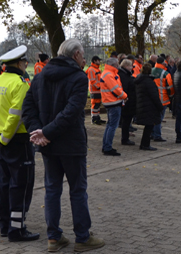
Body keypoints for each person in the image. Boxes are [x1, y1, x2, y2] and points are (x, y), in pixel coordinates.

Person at [21, 39, 105, 252]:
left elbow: (27, 109)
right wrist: (44, 132)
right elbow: (72, 111)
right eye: (83, 54)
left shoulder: (39, 77)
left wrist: (40, 132)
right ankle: (83, 238)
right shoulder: (78, 77)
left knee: (52, 190)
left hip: (48, 145)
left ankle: (54, 237)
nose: (84, 58)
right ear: (76, 54)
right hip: (71, 144)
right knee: (77, 190)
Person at [0, 45, 39, 241]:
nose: (26, 65)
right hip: (18, 141)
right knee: (21, 186)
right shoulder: (20, 83)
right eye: (25, 62)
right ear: (19, 63)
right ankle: (17, 229)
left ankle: (5, 225)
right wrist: (5, 137)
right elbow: (16, 116)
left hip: (0, 142)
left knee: (5, 185)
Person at [99, 57, 128, 156]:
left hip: (110, 102)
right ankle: (107, 148)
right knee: (112, 126)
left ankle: (106, 146)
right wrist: (125, 96)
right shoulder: (109, 74)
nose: (118, 65)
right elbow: (116, 89)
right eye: (117, 64)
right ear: (114, 65)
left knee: (110, 125)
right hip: (113, 102)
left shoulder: (109, 73)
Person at [134, 64, 162, 150]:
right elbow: (154, 96)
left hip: (142, 104)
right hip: (149, 106)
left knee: (148, 126)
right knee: (149, 126)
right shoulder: (149, 82)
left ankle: (144, 144)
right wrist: (160, 106)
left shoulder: (138, 80)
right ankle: (145, 144)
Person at [151, 57, 173, 142]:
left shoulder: (151, 70)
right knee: (159, 118)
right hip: (162, 98)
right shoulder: (165, 73)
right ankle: (157, 135)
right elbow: (170, 87)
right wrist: (171, 95)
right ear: (164, 63)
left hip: (152, 98)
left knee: (153, 117)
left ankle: (152, 134)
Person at [119, 59, 137, 146]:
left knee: (126, 121)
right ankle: (125, 139)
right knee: (126, 121)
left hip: (128, 101)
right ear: (126, 66)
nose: (132, 68)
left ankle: (125, 137)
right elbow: (125, 88)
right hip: (127, 101)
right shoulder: (124, 76)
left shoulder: (124, 75)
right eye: (131, 66)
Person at [86, 56, 105, 125]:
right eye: (98, 60)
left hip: (98, 90)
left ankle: (97, 118)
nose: (99, 62)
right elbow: (92, 81)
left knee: (97, 104)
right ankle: (94, 119)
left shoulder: (97, 69)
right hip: (94, 90)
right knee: (95, 105)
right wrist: (99, 86)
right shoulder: (91, 69)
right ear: (94, 61)